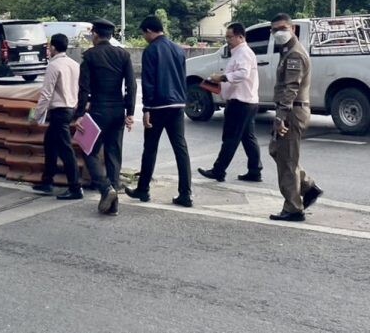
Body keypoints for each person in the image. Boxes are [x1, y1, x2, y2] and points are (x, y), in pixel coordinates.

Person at [125, 15, 193, 207]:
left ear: (148, 31)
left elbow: (148, 82)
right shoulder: (179, 50)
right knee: (181, 149)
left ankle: (143, 189)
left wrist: (146, 109)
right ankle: (186, 193)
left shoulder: (151, 51)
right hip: (178, 105)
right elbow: (182, 77)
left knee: (150, 148)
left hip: (158, 106)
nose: (144, 37)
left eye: (144, 34)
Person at [75, 18, 137, 215]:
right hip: (118, 111)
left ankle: (105, 188)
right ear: (111, 35)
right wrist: (130, 112)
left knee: (88, 151)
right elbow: (131, 86)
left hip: (98, 112)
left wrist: (78, 115)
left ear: (95, 34)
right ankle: (113, 205)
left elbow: (83, 89)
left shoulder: (90, 56)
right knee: (113, 154)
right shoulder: (123, 55)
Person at [267, 13, 322, 222]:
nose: (277, 33)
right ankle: (307, 186)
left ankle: (293, 207)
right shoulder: (287, 51)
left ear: (293, 29)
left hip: (291, 112)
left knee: (287, 162)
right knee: (278, 152)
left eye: (282, 28)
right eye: (274, 30)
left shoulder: (295, 55)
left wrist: (280, 117)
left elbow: (291, 88)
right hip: (290, 110)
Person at [198, 22, 263, 183]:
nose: (227, 40)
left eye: (230, 37)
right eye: (226, 37)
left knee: (231, 138)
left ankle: (219, 170)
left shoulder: (244, 53)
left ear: (240, 37)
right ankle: (255, 170)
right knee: (248, 138)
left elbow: (242, 73)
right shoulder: (239, 52)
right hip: (246, 101)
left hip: (241, 102)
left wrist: (222, 77)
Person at [31, 33, 83, 200]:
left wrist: (37, 116)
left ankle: (75, 188)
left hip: (59, 111)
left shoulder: (53, 66)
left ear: (52, 47)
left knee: (65, 150)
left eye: (49, 47)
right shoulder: (74, 64)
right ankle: (47, 181)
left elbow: (46, 94)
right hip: (69, 109)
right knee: (50, 144)